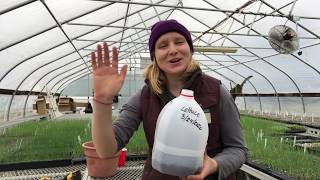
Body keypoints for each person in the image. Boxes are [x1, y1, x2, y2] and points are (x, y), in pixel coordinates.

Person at [91, 19, 247, 180]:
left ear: (190, 49)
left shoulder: (216, 91)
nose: (173, 50)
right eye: (163, 45)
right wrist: (102, 101)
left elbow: (238, 149)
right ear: (154, 56)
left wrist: (214, 165)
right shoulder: (145, 97)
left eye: (179, 42)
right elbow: (106, 150)